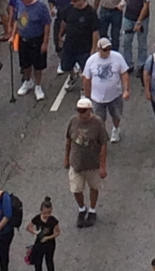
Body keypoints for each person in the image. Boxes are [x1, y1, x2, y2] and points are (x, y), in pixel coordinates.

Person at [64, 97, 109, 227]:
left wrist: (102, 166)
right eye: (78, 110)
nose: (80, 113)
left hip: (92, 164)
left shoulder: (97, 123)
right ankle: (82, 208)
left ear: (89, 110)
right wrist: (66, 158)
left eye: (83, 111)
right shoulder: (73, 121)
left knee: (94, 187)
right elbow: (68, 140)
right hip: (76, 163)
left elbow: (104, 144)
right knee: (76, 189)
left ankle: (92, 209)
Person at [81, 36, 130, 141]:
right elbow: (86, 79)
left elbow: (124, 73)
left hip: (115, 95)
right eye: (105, 49)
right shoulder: (91, 61)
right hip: (97, 98)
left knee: (117, 115)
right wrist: (87, 95)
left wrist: (126, 89)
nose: (107, 51)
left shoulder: (117, 57)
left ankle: (116, 129)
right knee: (99, 119)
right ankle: (102, 135)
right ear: (99, 49)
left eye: (109, 48)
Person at [13, 0, 50, 99]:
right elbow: (17, 21)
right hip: (23, 39)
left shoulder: (41, 6)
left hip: (37, 39)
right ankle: (27, 81)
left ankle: (38, 86)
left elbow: (47, 24)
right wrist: (13, 36)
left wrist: (45, 42)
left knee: (38, 65)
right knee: (25, 63)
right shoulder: (20, 4)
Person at [25, 198, 60, 271]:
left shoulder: (53, 220)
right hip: (39, 243)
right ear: (41, 211)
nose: (47, 215)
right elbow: (29, 227)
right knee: (38, 262)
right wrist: (35, 232)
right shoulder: (37, 218)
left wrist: (48, 238)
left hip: (50, 244)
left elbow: (57, 232)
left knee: (49, 261)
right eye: (45, 213)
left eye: (49, 213)